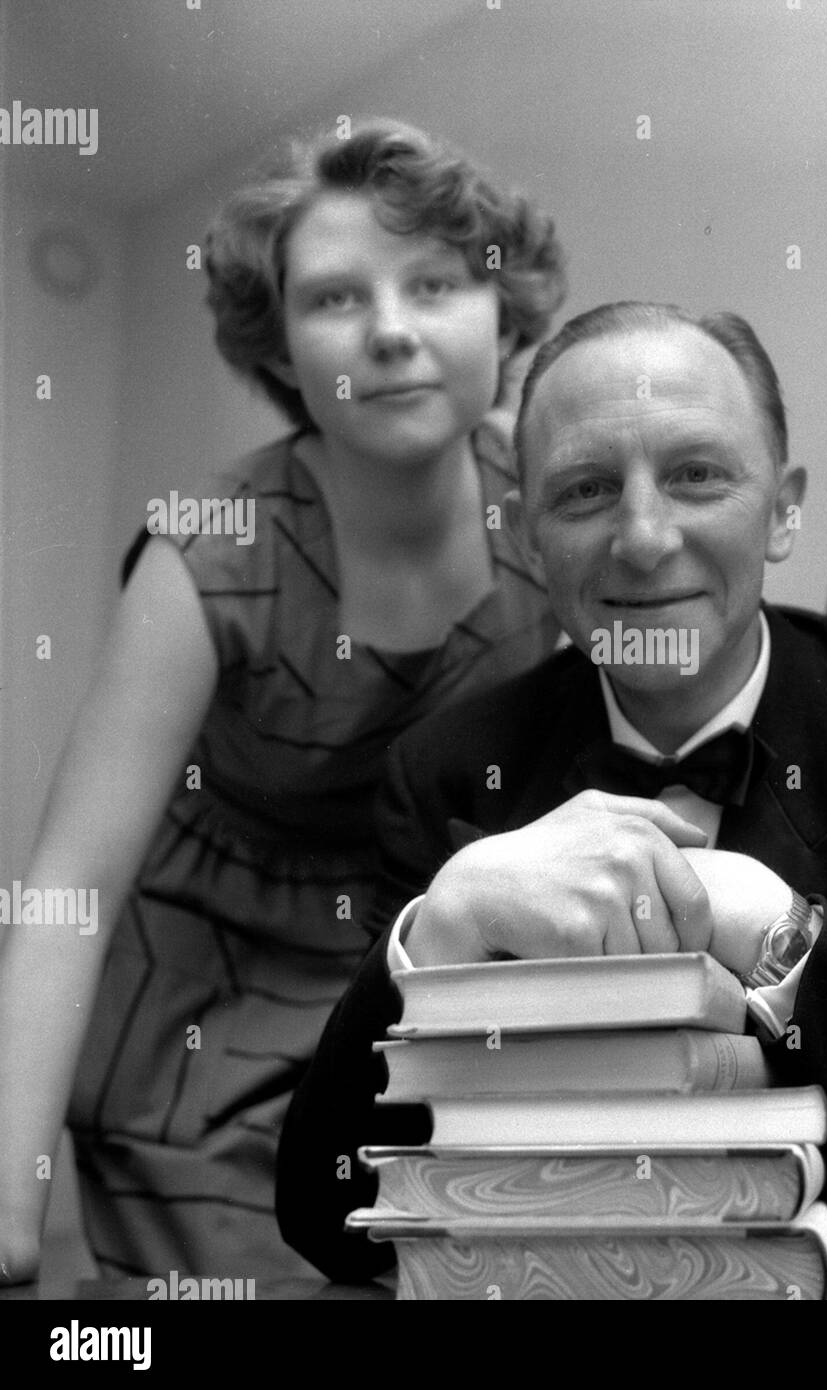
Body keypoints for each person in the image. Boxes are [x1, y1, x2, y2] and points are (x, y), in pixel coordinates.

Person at [276, 301, 827, 1288]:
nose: (643, 537)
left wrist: (784, 935)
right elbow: (326, 1213)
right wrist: (442, 923)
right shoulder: (451, 772)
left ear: (785, 509)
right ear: (528, 534)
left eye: (696, 475)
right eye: (585, 491)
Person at [0, 121, 566, 1283]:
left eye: (437, 284)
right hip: (197, 1015)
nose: (395, 330)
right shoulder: (210, 551)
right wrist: (9, 1195)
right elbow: (70, 886)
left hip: (423, 982)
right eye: (336, 299)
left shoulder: (552, 504)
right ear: (282, 347)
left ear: (506, 315)